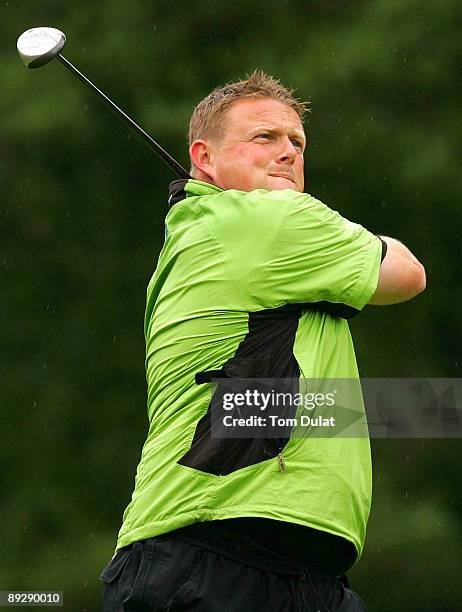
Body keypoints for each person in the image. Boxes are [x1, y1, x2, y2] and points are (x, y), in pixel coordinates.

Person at [100, 71, 425, 611]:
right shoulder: (268, 220)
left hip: (302, 572)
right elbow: (409, 274)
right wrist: (368, 239)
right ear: (203, 158)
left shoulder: (214, 228)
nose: (287, 153)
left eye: (296, 142)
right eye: (264, 138)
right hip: (210, 554)